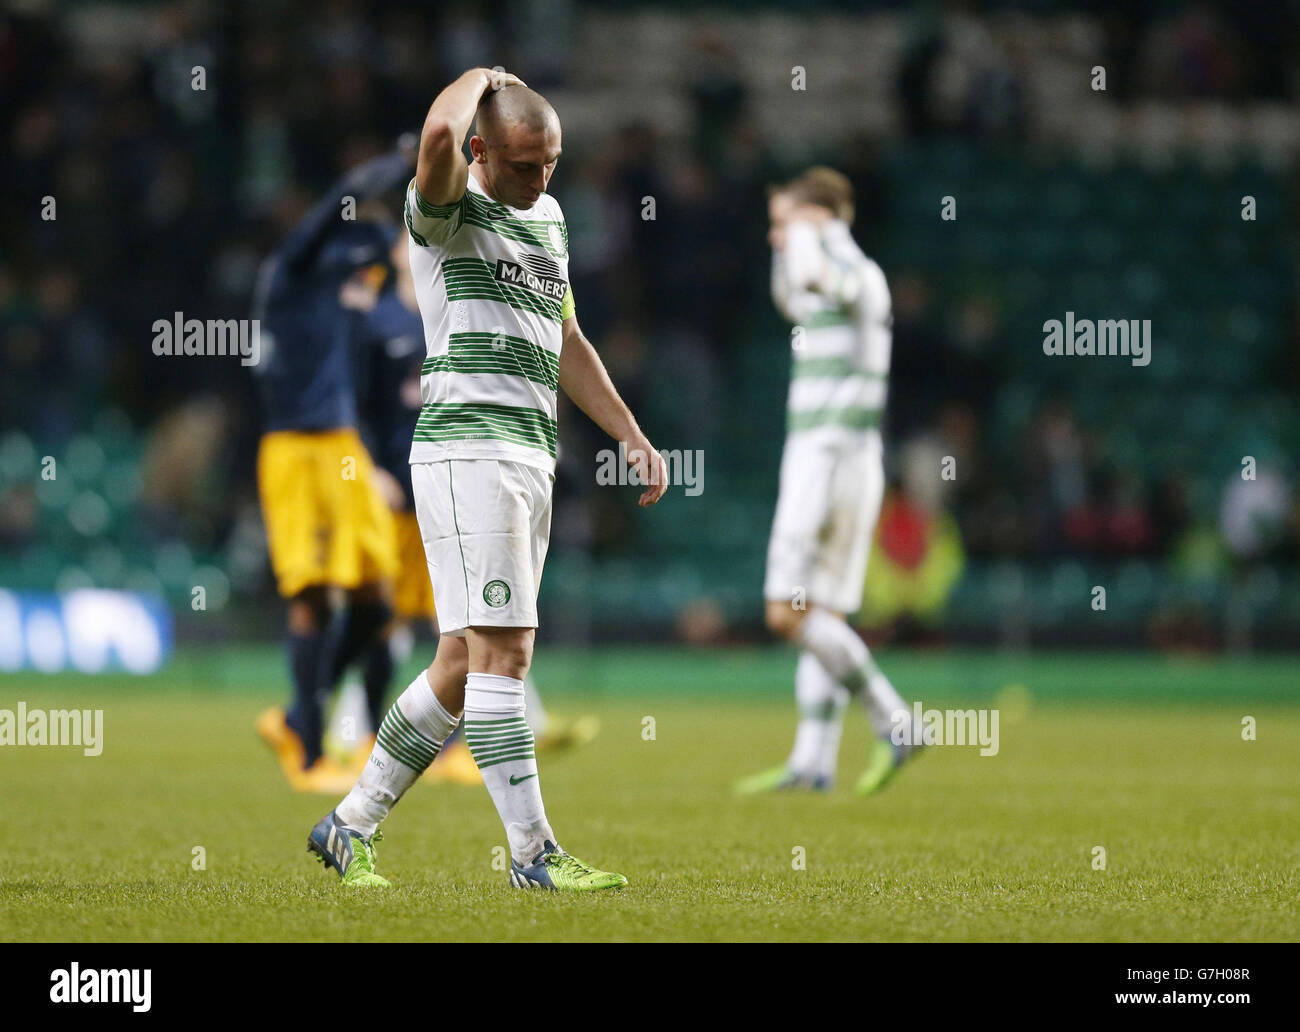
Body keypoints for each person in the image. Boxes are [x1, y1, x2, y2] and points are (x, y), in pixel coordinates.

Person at [308, 68, 668, 890]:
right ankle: (534, 856)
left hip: (527, 453)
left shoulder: (550, 219)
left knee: (459, 666)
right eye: (522, 163)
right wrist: (482, 77)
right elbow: (433, 139)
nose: (540, 179)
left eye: (551, 162)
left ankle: (348, 824)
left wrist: (630, 432)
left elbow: (566, 340)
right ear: (480, 150)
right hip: (467, 450)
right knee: (505, 654)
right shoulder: (444, 215)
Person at [734, 167, 921, 797]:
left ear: (815, 219)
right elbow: (793, 296)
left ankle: (896, 721)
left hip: (826, 458)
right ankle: (813, 762)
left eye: (781, 223)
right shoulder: (855, 280)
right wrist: (796, 233)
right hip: (854, 459)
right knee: (825, 613)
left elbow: (811, 275)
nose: (774, 237)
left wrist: (808, 230)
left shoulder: (849, 270)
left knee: (785, 611)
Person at [251, 149, 411, 793]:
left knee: (380, 598)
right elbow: (340, 208)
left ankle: (296, 716)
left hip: (344, 446)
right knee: (313, 597)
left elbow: (399, 246)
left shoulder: (352, 272)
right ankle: (310, 751)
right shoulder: (289, 270)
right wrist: (404, 160)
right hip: (293, 449)